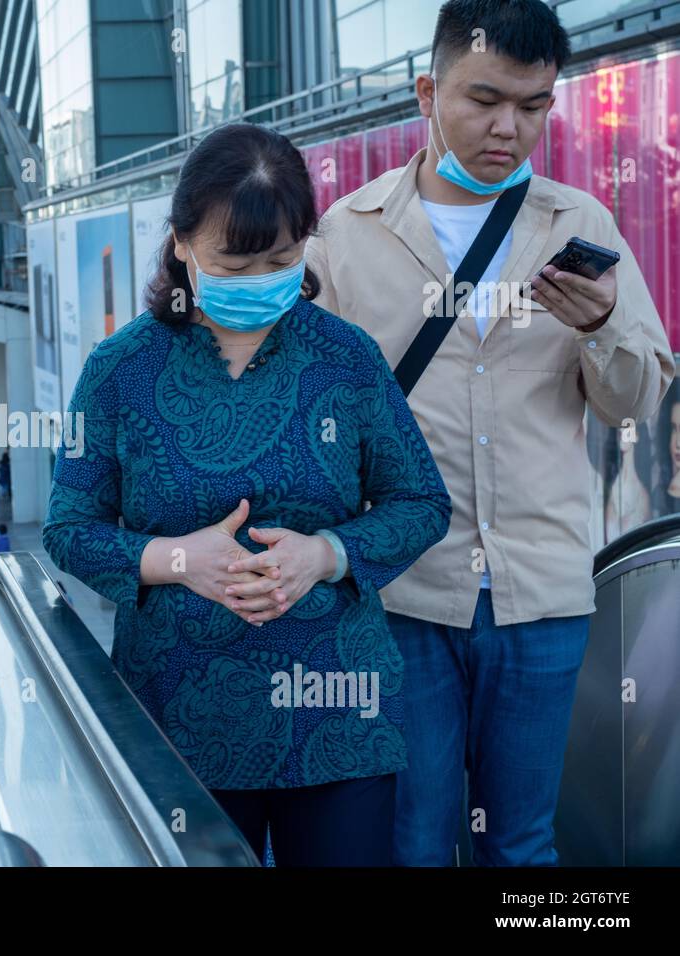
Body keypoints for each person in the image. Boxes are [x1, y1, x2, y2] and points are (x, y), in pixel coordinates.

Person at [306, 0, 674, 867]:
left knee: (523, 847)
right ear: (427, 92)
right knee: (416, 843)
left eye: (535, 105)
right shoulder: (348, 236)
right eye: (484, 99)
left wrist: (606, 324)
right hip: (402, 596)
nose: (510, 128)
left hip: (540, 593)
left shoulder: (581, 224)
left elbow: (634, 403)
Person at [41, 119, 451, 867]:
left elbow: (421, 502)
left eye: (282, 260)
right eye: (235, 263)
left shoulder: (345, 357)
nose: (262, 280)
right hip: (177, 716)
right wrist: (175, 560)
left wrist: (326, 554)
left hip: (337, 715)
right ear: (181, 247)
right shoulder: (119, 370)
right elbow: (68, 526)